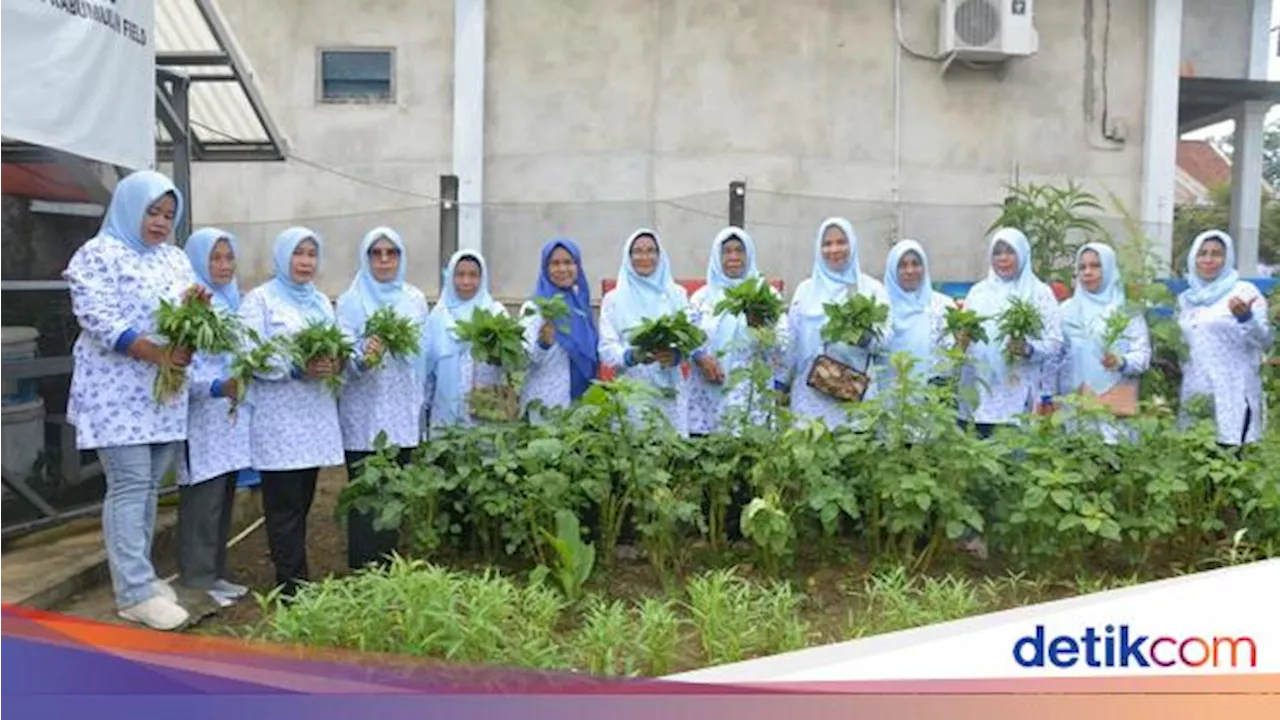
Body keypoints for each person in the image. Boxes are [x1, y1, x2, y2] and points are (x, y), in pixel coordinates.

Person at [63, 170, 199, 630]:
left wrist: (197, 316)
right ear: (127, 208)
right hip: (115, 390)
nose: (160, 222)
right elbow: (99, 319)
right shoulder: (98, 255)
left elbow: (188, 317)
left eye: (168, 214)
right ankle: (134, 592)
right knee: (129, 484)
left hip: (163, 394)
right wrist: (159, 353)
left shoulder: (175, 260)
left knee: (148, 489)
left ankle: (140, 575)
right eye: (152, 212)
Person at [239, 227, 345, 599]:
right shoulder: (259, 301)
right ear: (283, 257)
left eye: (311, 254)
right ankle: (291, 586)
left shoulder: (318, 301)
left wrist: (335, 360)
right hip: (280, 421)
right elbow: (249, 355)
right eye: (298, 253)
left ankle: (297, 577)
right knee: (283, 507)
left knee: (302, 502)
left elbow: (335, 345)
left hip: (313, 419)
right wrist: (295, 368)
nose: (305, 262)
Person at [335, 227, 430, 570]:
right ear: (366, 257)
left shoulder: (415, 299)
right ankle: (363, 567)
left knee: (394, 490)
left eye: (392, 252)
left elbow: (422, 353)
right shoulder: (350, 301)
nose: (385, 259)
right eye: (377, 253)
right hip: (365, 410)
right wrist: (364, 357)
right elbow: (341, 359)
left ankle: (389, 564)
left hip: (402, 407)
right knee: (364, 490)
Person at [176, 227, 252, 608]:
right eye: (214, 258)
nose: (223, 266)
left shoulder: (232, 301)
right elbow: (181, 368)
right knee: (202, 501)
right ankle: (196, 577)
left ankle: (215, 573)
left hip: (229, 419)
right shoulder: (190, 307)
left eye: (228, 258)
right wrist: (219, 386)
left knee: (223, 496)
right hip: (202, 418)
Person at [783, 217, 893, 430]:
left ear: (852, 245)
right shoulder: (805, 291)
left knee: (853, 453)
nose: (834, 249)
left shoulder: (870, 289)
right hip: (811, 394)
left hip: (853, 395)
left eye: (841, 242)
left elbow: (886, 340)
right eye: (827, 243)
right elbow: (791, 342)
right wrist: (781, 384)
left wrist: (864, 338)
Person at [959, 227, 1064, 438]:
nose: (1003, 258)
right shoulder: (978, 292)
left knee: (1014, 457)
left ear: (1023, 254)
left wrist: (1028, 349)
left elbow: (1054, 343)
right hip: (980, 389)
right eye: (997, 252)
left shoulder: (1039, 293)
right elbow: (966, 335)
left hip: (1018, 391)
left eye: (1010, 252)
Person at [687, 227, 790, 434]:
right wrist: (699, 357)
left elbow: (785, 342)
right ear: (717, 256)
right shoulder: (702, 298)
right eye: (726, 251)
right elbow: (687, 338)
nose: (733, 257)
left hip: (751, 395)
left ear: (749, 254)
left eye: (739, 251)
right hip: (708, 392)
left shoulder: (765, 296)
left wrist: (762, 330)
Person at [1177, 230, 1273, 446]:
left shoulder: (1245, 292)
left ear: (1227, 257)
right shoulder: (1186, 299)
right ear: (1193, 258)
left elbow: (1264, 339)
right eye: (1202, 253)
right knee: (1196, 457)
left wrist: (1246, 318)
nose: (1208, 260)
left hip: (1233, 390)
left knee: (1231, 457)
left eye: (1216, 254)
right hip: (1196, 390)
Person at [1051, 243, 1150, 443]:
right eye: (1082, 267)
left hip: (1113, 408)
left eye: (1095, 266)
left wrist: (1120, 362)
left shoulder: (1126, 312)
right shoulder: (1066, 311)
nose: (1087, 272)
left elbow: (1143, 356)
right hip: (1074, 407)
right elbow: (1054, 356)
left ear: (1109, 268)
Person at [597, 229, 693, 435]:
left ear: (660, 256)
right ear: (628, 256)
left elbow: (690, 339)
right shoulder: (614, 300)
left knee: (670, 450)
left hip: (669, 385)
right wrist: (630, 356)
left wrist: (676, 355)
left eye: (651, 251)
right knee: (635, 451)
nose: (644, 257)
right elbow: (606, 348)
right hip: (631, 388)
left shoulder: (676, 295)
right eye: (637, 251)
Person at [423, 250, 510, 432]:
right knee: (446, 453)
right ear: (450, 278)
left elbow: (511, 361)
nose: (466, 282)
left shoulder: (495, 313)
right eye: (460, 275)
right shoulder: (438, 317)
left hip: (485, 407)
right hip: (445, 406)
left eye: (473, 275)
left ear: (482, 278)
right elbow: (428, 370)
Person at [519, 238, 599, 417]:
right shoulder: (535, 308)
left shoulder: (581, 307)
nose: (562, 269)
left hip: (582, 403)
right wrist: (542, 344)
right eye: (555, 263)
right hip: (546, 404)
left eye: (568, 262)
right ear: (545, 268)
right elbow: (522, 361)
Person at [881, 238, 957, 388]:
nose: (910, 271)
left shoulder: (942, 306)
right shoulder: (881, 306)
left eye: (916, 264)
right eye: (902, 265)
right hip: (889, 395)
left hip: (933, 398)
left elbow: (954, 355)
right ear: (892, 270)